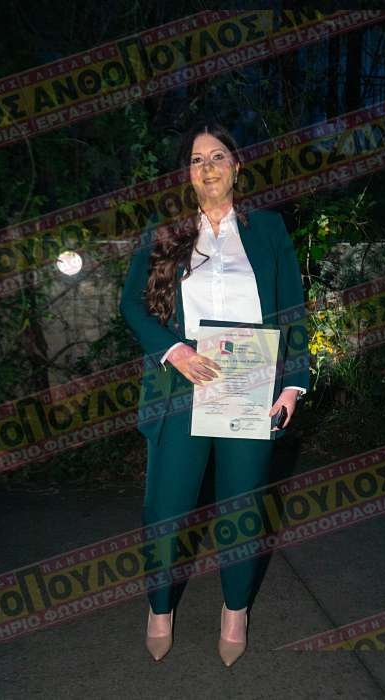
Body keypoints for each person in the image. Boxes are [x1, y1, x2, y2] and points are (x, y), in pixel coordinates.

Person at [119, 121, 310, 666]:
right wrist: (172, 350)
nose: (208, 167)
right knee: (167, 507)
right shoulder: (165, 230)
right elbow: (131, 304)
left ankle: (235, 610)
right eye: (197, 159)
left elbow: (292, 308)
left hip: (252, 384)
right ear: (187, 173)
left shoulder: (268, 228)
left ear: (236, 165)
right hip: (183, 385)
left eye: (218, 156)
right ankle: (160, 608)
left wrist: (292, 384)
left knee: (242, 507)